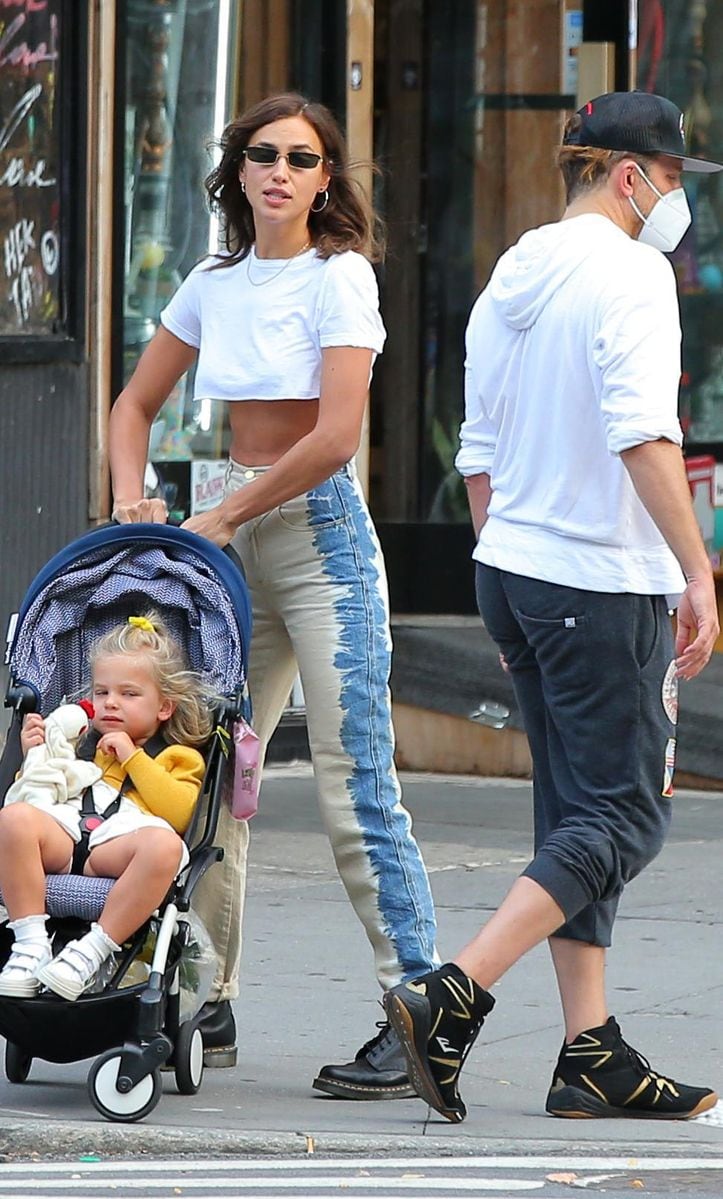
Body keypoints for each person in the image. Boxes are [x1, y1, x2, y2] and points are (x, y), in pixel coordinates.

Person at [383, 91, 721, 1124]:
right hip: (594, 575)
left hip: (520, 568)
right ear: (629, 176)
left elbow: (475, 454)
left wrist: (507, 562)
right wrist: (697, 570)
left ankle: (591, 1049)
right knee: (625, 811)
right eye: (669, 179)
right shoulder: (631, 273)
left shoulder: (514, 271)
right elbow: (643, 435)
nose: (674, 199)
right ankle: (455, 988)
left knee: (578, 810)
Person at [108, 91, 438, 1091]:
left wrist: (226, 512)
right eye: (263, 154)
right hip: (224, 535)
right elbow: (134, 401)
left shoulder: (340, 277)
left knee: (354, 778)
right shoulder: (215, 280)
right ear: (239, 169)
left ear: (326, 176)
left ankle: (421, 1003)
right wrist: (136, 497)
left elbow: (337, 435)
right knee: (194, 766)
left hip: (318, 537)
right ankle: (203, 999)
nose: (280, 171)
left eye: (302, 157)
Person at [0, 613, 212, 1001]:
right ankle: (29, 945)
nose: (111, 704)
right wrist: (35, 759)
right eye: (101, 693)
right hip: (64, 837)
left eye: (129, 695)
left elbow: (178, 814)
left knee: (165, 848)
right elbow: (35, 798)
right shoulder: (77, 745)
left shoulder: (176, 757)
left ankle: (91, 951)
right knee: (12, 819)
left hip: (118, 850)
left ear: (164, 707)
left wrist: (134, 758)